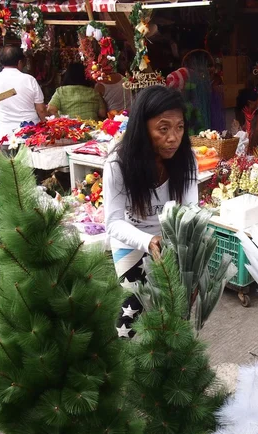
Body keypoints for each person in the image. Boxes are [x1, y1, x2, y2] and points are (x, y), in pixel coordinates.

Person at [104, 85, 198, 337]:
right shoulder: (118, 165)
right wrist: (148, 241)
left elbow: (190, 212)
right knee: (131, 313)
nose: (173, 137)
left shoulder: (187, 161)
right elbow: (113, 223)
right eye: (163, 128)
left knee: (173, 311)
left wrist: (193, 266)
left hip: (169, 243)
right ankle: (127, 367)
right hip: (131, 241)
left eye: (179, 127)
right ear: (143, 128)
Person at [0, 46, 46, 145]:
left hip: (6, 136)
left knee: (10, 161)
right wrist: (46, 127)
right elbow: (41, 109)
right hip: (32, 135)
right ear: (20, 62)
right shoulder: (29, 80)